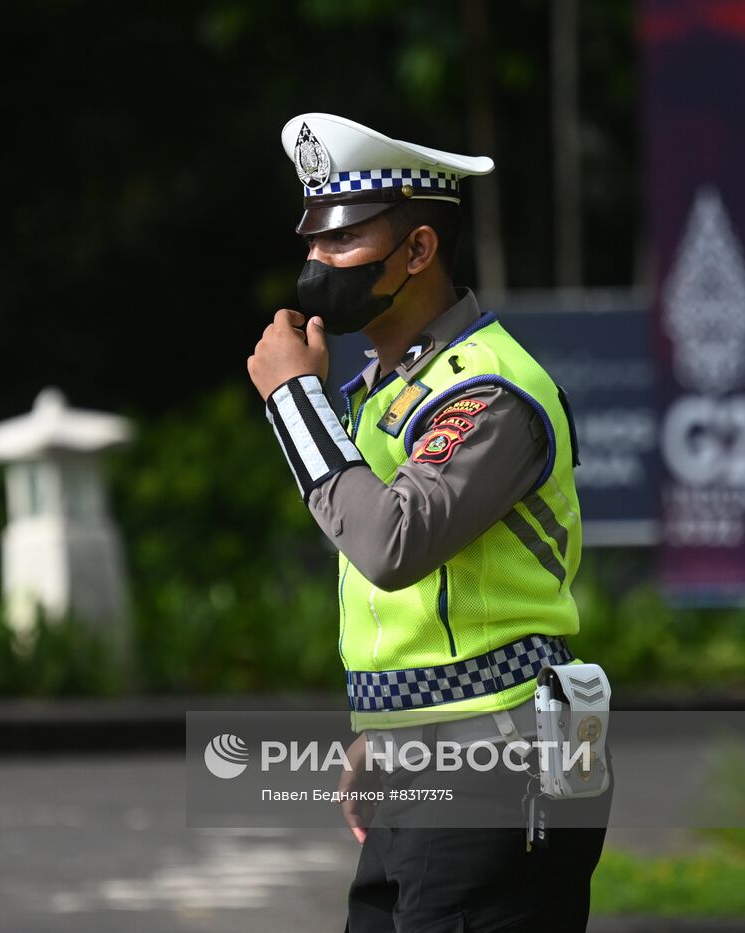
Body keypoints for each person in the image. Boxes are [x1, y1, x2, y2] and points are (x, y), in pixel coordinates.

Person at [247, 113, 610, 931]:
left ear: (417, 251)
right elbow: (428, 614)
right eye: (312, 242)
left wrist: (295, 403)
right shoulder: (390, 388)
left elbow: (391, 544)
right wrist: (382, 729)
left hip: (498, 772)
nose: (317, 265)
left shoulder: (485, 392)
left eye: (341, 243)